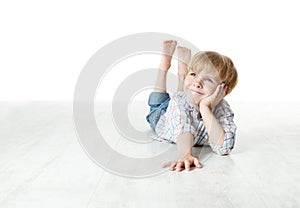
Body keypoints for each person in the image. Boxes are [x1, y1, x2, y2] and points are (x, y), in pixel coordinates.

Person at [146, 40, 238, 172]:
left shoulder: (223, 109)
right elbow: (184, 126)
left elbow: (224, 147)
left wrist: (205, 108)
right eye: (193, 74)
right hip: (163, 117)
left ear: (224, 90)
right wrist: (185, 153)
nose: (197, 83)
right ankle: (165, 66)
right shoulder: (179, 101)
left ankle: (183, 72)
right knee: (158, 101)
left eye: (208, 80)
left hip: (185, 99)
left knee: (185, 93)